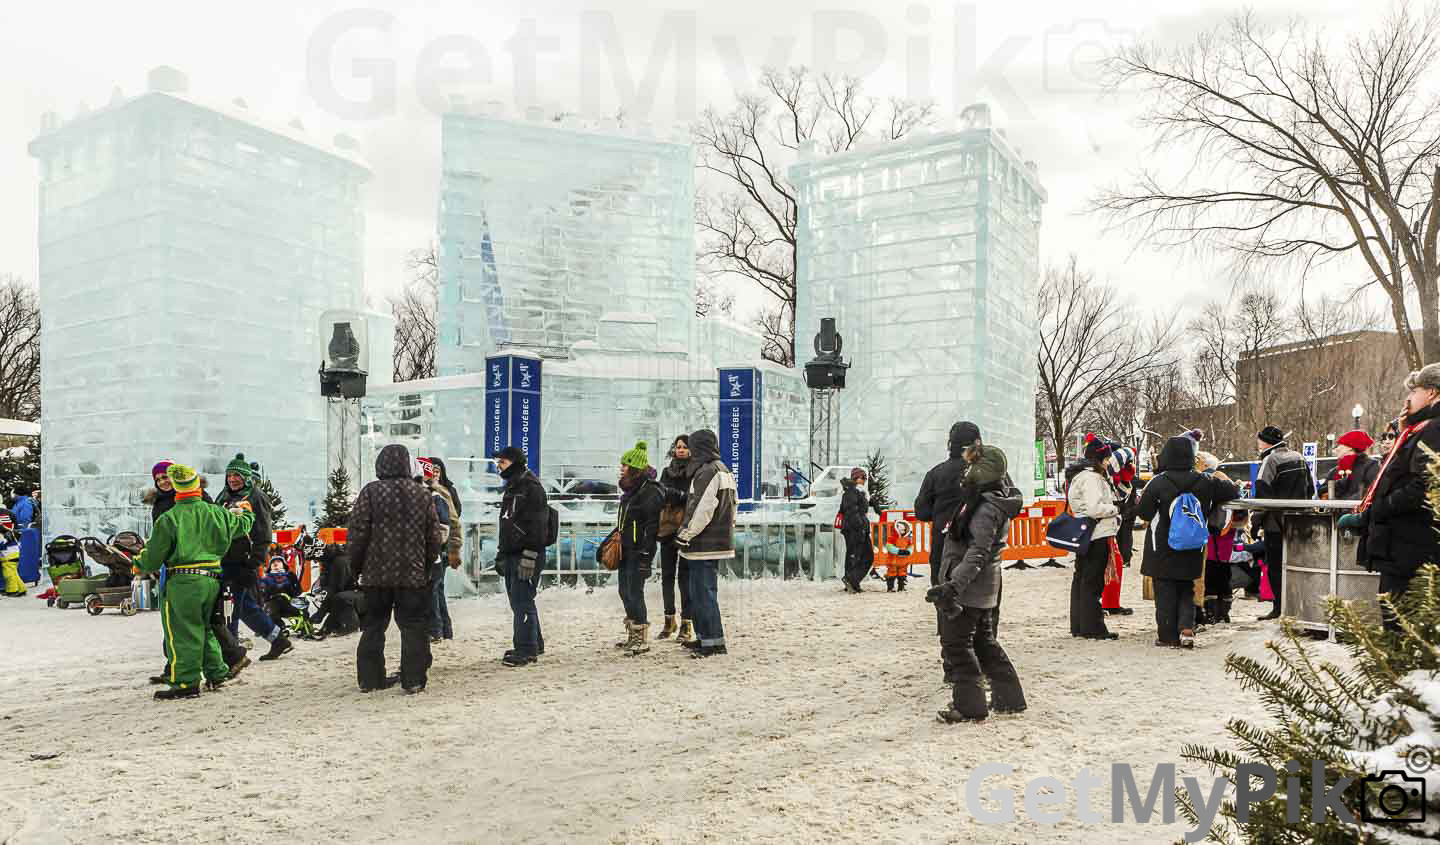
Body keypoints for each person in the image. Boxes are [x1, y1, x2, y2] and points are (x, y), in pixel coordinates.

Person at [134, 464, 255, 700]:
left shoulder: (169, 519)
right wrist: (247, 511)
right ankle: (217, 672)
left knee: (183, 631)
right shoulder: (218, 512)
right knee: (206, 626)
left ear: (177, 489)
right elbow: (243, 525)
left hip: (183, 581)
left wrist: (139, 564)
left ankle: (185, 683)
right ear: (197, 486)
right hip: (212, 579)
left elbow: (153, 555)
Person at [927, 443, 1026, 723]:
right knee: (984, 643)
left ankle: (970, 706)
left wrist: (953, 585)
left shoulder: (984, 507)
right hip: (980, 586)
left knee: (957, 645)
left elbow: (978, 552)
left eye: (971, 467)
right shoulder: (985, 501)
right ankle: (1009, 698)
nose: (966, 471)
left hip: (970, 587)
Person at [1340, 364, 1440, 631]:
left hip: (1413, 546)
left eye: (1414, 390)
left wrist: (1378, 509)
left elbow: (1423, 485)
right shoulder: (1419, 428)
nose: (1408, 398)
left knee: (1402, 626)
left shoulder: (1433, 429)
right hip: (1404, 544)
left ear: (1431, 393)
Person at [349, 444, 445, 693]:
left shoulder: (370, 492)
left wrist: (355, 567)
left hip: (375, 575)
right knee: (413, 627)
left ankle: (370, 680)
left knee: (373, 627)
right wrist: (426, 563)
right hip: (412, 575)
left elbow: (357, 534)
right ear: (406, 464)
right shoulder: (422, 494)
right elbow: (434, 536)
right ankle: (413, 680)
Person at [1139, 436, 1240, 648]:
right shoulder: (1205, 481)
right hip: (1193, 544)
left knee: (1165, 590)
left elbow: (1144, 512)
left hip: (1162, 546)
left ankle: (1167, 636)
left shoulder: (1157, 482)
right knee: (1187, 588)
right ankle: (1186, 627)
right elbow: (1232, 491)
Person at [214, 453, 292, 660]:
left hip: (242, 563)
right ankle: (278, 640)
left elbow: (264, 533)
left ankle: (229, 654)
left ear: (247, 477)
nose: (232, 479)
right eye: (230, 475)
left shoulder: (256, 497)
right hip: (224, 560)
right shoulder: (223, 496)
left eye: (237, 475)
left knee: (228, 608)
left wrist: (253, 562)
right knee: (246, 608)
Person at [676, 429, 736, 658]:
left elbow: (701, 508)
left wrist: (685, 535)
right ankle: (705, 637)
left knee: (702, 593)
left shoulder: (706, 472)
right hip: (718, 540)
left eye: (691, 446)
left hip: (703, 544)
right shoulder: (723, 469)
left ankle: (712, 642)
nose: (688, 451)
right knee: (702, 591)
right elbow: (733, 505)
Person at [915, 422, 977, 633]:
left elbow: (921, 512)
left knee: (943, 592)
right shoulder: (985, 474)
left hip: (943, 543)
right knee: (977, 596)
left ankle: (948, 631)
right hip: (976, 543)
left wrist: (942, 514)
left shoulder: (935, 473)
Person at [1252, 426, 1314, 620]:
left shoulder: (1270, 460)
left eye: (1260, 440)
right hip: (1300, 521)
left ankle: (1280, 607)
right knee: (1299, 565)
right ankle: (1300, 605)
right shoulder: (1299, 457)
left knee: (1277, 566)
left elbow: (1263, 494)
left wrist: (1255, 522)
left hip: (1275, 524)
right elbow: (1311, 488)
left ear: (1266, 442)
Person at [495, 446, 549, 667]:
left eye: (503, 462)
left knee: (522, 601)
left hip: (526, 554)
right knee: (520, 600)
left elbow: (538, 525)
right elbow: (508, 523)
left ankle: (526, 650)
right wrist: (502, 552)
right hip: (512, 553)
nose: (499, 466)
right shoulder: (513, 487)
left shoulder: (531, 488)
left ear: (515, 463)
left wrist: (530, 555)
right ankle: (533, 642)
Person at [1068, 435, 1121, 641]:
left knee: (1081, 578)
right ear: (1098, 459)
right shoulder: (1092, 478)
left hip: (1086, 533)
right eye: (1106, 459)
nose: (1108, 462)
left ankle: (1080, 624)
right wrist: (1114, 509)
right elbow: (1094, 507)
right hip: (1097, 533)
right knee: (1093, 580)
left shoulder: (1080, 476)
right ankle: (1093, 627)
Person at [614, 441, 662, 656]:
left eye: (625, 465)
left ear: (634, 468)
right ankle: (632, 633)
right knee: (624, 591)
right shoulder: (631, 491)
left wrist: (646, 556)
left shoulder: (649, 491)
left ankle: (640, 638)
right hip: (626, 549)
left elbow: (651, 528)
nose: (621, 468)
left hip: (638, 551)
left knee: (635, 592)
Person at [419, 457, 461, 644]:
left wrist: (453, 550)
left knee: (434, 590)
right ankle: (444, 629)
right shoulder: (433, 492)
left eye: (437, 469)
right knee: (437, 590)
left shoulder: (441, 493)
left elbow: (453, 523)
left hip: (439, 550)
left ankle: (437, 629)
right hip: (438, 549)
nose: (434, 472)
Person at [656, 435, 694, 642]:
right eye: (678, 447)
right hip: (668, 528)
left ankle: (687, 623)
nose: (680, 450)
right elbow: (661, 493)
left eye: (684, 447)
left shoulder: (695, 471)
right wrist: (677, 495)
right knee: (667, 577)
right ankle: (669, 620)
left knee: (685, 579)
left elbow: (692, 497)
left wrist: (675, 495)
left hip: (687, 529)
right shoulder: (667, 471)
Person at [1101, 445, 1139, 617]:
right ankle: (1101, 604)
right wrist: (1131, 451)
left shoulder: (1112, 480)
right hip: (1100, 527)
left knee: (1115, 563)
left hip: (1111, 525)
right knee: (1103, 567)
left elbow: (1119, 498)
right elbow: (1123, 454)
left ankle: (1111, 603)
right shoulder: (1100, 474)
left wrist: (1125, 480)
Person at [1204, 508, 1250, 624]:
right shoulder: (1233, 498)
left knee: (1211, 583)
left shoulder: (1216, 501)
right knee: (1224, 582)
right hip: (1224, 551)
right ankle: (1223, 614)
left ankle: (1212, 613)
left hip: (1213, 549)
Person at [839, 468, 880, 593]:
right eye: (863, 478)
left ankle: (852, 582)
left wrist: (874, 504)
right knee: (862, 556)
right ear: (857, 478)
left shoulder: (858, 492)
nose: (864, 480)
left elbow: (861, 504)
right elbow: (852, 510)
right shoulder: (851, 492)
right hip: (855, 529)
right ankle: (851, 580)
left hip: (858, 528)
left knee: (856, 556)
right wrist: (860, 526)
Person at [1326, 430, 1380, 501]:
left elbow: (1368, 493)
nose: (1337, 449)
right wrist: (1339, 484)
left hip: (1357, 511)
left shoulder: (1371, 466)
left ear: (1350, 447)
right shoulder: (1336, 470)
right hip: (1337, 510)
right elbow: (1322, 491)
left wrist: (1342, 505)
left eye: (1339, 445)